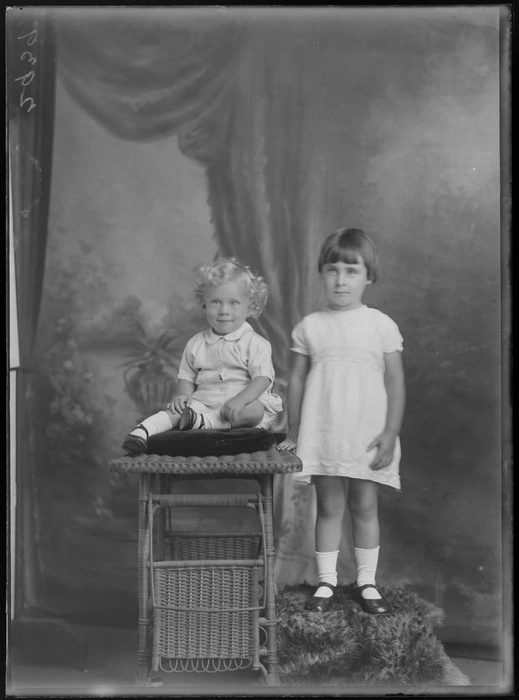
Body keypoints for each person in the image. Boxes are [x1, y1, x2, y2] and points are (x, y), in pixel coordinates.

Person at [277, 228, 405, 615]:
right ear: (322, 273)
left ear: (369, 277)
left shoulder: (380, 324)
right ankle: (327, 583)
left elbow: (395, 379)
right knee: (329, 506)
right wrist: (296, 430)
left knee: (364, 504)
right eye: (332, 270)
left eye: (351, 271)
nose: (341, 280)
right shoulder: (311, 325)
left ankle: (367, 582)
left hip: (366, 434)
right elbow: (296, 379)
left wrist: (390, 432)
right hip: (324, 431)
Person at [122, 258, 283, 454]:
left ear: (250, 307)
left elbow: (262, 379)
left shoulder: (255, 343)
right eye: (216, 302)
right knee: (176, 412)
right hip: (204, 402)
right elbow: (187, 377)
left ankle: (206, 423)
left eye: (234, 303)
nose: (224, 311)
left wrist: (240, 400)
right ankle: (143, 431)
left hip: (240, 406)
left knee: (256, 409)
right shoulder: (196, 344)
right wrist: (183, 396)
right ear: (204, 304)